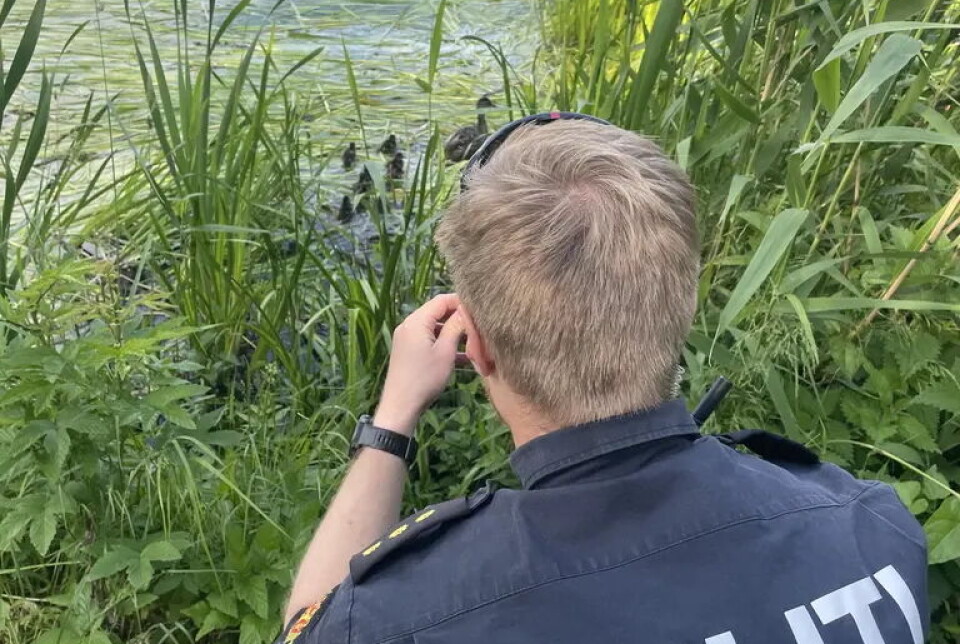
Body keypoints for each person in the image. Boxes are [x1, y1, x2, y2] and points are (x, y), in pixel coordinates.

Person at [277, 114, 929, 644]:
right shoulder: (871, 533)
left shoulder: (404, 618)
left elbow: (307, 629)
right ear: (684, 306)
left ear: (475, 345)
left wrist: (391, 423)